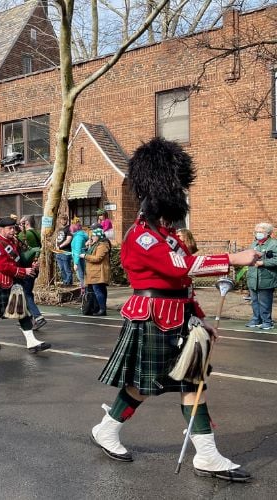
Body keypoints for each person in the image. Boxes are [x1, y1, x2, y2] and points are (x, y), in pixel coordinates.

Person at [90, 137, 259, 482]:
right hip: (154, 316)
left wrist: (199, 320)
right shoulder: (142, 236)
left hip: (178, 317)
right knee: (143, 385)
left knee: (193, 383)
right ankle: (107, 430)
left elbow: (183, 286)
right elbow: (179, 268)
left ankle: (207, 455)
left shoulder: (168, 235)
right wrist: (231, 258)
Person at [0, 217, 51, 353]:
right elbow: (0, 265)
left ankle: (31, 342)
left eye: (14, 228)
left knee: (22, 311)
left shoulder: (13, 241)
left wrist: (30, 265)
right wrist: (23, 271)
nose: (13, 230)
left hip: (15, 282)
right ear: (2, 229)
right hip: (2, 281)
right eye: (10, 228)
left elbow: (19, 260)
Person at [245, 222, 277, 330]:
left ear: (268, 233)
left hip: (266, 278)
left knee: (264, 301)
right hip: (253, 277)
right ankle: (256, 319)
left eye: (260, 231)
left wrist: (263, 263)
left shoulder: (274, 244)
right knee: (254, 300)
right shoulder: (254, 244)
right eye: (257, 231)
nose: (258, 233)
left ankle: (267, 321)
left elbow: (275, 260)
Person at [81, 228, 111, 316]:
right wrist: (89, 246)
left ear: (99, 236)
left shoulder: (102, 245)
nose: (92, 237)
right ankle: (100, 308)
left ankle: (102, 309)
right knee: (100, 290)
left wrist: (85, 256)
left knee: (98, 290)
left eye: (94, 236)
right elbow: (93, 254)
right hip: (95, 271)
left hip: (98, 272)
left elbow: (98, 258)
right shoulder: (96, 244)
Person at [54, 215, 73, 285]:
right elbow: (57, 239)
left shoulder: (69, 228)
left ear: (67, 220)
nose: (63, 221)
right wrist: (56, 246)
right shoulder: (59, 229)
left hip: (65, 251)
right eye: (62, 219)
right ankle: (65, 282)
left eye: (65, 219)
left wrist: (60, 246)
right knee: (61, 269)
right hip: (58, 252)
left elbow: (68, 240)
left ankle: (69, 283)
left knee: (67, 268)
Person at [71, 220, 89, 293]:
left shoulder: (78, 237)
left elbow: (77, 250)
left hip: (79, 259)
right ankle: (85, 292)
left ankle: (84, 293)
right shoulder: (81, 235)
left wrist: (75, 263)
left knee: (81, 276)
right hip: (81, 257)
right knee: (83, 276)